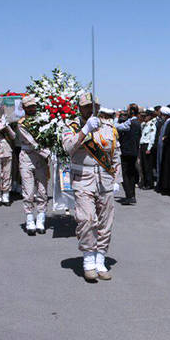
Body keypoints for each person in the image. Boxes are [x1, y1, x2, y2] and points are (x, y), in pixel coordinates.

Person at [62, 93, 121, 282]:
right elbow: (68, 148)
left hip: (105, 179)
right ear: (79, 108)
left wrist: (116, 179)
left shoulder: (109, 128)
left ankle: (100, 260)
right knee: (87, 219)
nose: (89, 110)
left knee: (106, 221)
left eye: (92, 106)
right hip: (83, 178)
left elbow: (115, 154)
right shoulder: (71, 127)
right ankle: (88, 260)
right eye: (85, 106)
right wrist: (84, 130)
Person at [14, 95, 51, 234]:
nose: (32, 108)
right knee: (28, 191)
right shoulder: (22, 123)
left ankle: (41, 218)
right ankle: (30, 219)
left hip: (40, 160)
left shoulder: (43, 121)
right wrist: (48, 152)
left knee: (42, 190)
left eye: (33, 106)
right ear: (24, 108)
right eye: (29, 106)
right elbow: (32, 142)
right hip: (27, 157)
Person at [116, 104, 142, 204]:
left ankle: (129, 196)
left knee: (125, 175)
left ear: (131, 111)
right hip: (133, 152)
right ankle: (132, 195)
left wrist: (117, 117)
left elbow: (117, 127)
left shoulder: (130, 123)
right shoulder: (137, 123)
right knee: (131, 174)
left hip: (126, 152)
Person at [139, 109, 157, 189]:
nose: (144, 118)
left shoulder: (151, 125)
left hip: (147, 146)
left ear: (149, 117)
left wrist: (149, 148)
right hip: (142, 146)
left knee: (148, 166)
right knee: (143, 166)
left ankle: (149, 183)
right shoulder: (144, 124)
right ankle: (145, 182)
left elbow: (152, 138)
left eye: (145, 116)